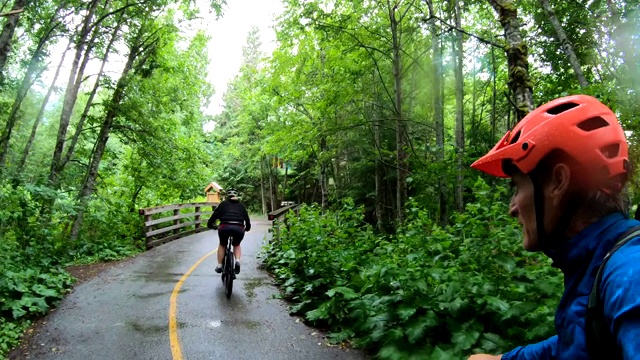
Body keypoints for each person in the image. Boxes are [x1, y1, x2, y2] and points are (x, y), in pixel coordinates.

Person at [468, 95, 640, 359]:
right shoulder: (595, 263)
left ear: (559, 182)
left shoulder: (629, 272)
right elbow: (577, 344)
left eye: (517, 188)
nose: (513, 208)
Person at [207, 188, 251, 274]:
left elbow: (214, 216)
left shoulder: (223, 204)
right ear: (236, 196)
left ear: (228, 196)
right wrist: (248, 227)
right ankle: (237, 261)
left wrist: (210, 224)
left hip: (225, 226)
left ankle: (219, 265)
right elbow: (247, 219)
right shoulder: (241, 206)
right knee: (237, 244)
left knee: (222, 244)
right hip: (239, 227)